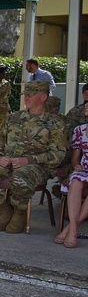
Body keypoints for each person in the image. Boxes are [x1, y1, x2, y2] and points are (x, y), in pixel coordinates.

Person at [0, 81, 67, 233]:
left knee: (20, 176)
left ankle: (19, 212)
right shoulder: (13, 118)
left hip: (36, 167)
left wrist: (28, 160)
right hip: (8, 163)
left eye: (30, 94)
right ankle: (4, 209)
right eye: (25, 95)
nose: (26, 98)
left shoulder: (55, 123)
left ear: (43, 97)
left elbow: (58, 154)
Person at [56, 102, 88, 247]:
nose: (86, 106)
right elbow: (76, 155)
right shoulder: (80, 130)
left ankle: (70, 230)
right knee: (75, 180)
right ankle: (73, 229)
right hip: (85, 169)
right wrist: (76, 166)